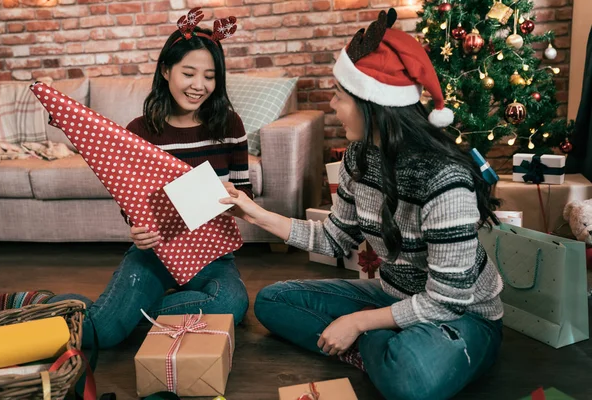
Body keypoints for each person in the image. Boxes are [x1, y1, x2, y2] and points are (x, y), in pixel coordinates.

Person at [220, 9, 504, 400]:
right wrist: (256, 213)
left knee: (412, 380)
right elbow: (336, 239)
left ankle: (375, 345)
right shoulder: (359, 158)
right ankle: (380, 347)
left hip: (461, 315)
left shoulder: (444, 180)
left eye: (339, 96)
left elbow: (448, 299)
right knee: (273, 301)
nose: (333, 106)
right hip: (392, 296)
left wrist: (358, 322)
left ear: (371, 103)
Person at [48, 9, 250, 349]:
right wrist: (137, 228)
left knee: (232, 305)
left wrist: (236, 200)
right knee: (105, 335)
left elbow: (246, 197)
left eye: (210, 76)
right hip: (157, 252)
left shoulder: (229, 126)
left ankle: (126, 316)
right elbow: (132, 202)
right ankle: (100, 316)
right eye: (188, 73)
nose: (199, 85)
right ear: (167, 70)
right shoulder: (139, 132)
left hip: (213, 255)